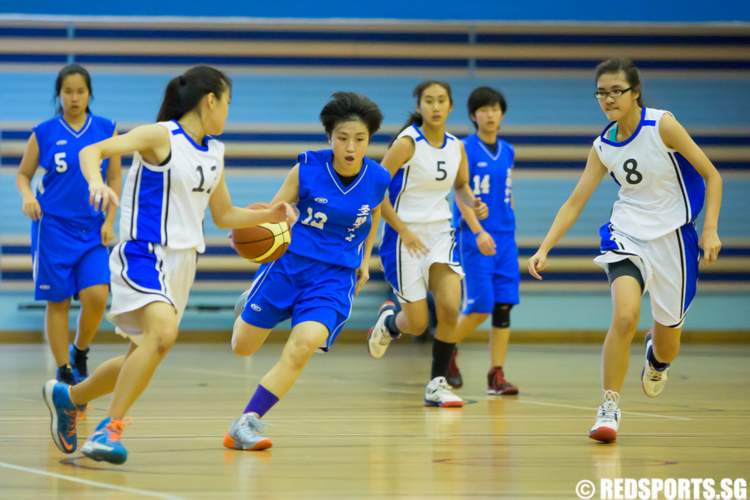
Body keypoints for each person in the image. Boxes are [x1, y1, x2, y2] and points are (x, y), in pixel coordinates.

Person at [42, 65, 295, 464]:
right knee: (162, 334)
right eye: (228, 102)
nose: (228, 111)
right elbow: (93, 151)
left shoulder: (214, 152)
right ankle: (111, 430)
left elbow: (225, 215)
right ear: (210, 100)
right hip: (142, 253)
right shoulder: (162, 135)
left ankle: (69, 398)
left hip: (182, 263)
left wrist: (271, 216)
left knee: (141, 352)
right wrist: (95, 181)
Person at [527, 58, 722, 443]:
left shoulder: (662, 124)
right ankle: (609, 407)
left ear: (635, 93)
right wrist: (545, 246)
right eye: (602, 92)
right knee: (625, 315)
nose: (608, 99)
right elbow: (575, 201)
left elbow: (712, 175)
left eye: (617, 91)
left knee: (669, 346)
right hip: (626, 235)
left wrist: (710, 230)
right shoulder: (602, 145)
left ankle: (656, 357)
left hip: (675, 240)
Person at [224, 92, 391, 450]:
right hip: (288, 267)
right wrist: (249, 227)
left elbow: (374, 211)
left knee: (305, 344)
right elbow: (272, 210)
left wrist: (364, 260)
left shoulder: (378, 178)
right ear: (330, 137)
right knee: (242, 348)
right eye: (343, 138)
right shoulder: (307, 168)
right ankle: (248, 305)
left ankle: (247, 421)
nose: (351, 147)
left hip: (334, 277)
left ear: (369, 141)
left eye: (360, 140)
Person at [367, 80, 488, 407]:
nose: (435, 106)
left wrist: (473, 202)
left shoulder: (456, 147)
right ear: (419, 106)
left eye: (441, 101)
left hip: (439, 235)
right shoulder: (407, 143)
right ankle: (391, 321)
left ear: (450, 107)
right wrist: (403, 229)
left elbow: (461, 187)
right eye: (429, 101)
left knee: (450, 307)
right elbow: (375, 189)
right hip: (403, 238)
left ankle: (437, 383)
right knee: (417, 323)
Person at [16, 64, 120, 386]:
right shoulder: (44, 131)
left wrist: (110, 220)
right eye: (67, 92)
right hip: (53, 229)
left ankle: (80, 350)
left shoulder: (106, 128)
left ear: (89, 94)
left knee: (97, 295)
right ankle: (63, 371)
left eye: (80, 91)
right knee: (58, 300)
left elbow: (114, 177)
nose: (74, 98)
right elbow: (23, 174)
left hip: (92, 228)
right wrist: (26, 197)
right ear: (58, 95)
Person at [450, 86, 520, 395]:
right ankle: (446, 348)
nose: (490, 114)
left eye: (495, 108)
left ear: (502, 113)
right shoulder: (464, 148)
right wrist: (479, 231)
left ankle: (496, 374)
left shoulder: (508, 150)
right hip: (475, 236)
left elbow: (507, 191)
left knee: (504, 305)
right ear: (473, 115)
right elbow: (460, 193)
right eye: (484, 109)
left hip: (505, 236)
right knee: (481, 305)